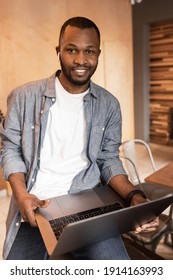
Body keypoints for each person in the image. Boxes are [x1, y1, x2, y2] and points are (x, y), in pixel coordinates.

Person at [0, 16, 159, 260]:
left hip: (89, 204)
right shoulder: (24, 96)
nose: (81, 60)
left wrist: (134, 196)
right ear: (58, 51)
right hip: (35, 203)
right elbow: (10, 149)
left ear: (98, 53)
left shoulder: (109, 105)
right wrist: (20, 194)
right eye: (71, 50)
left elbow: (108, 159)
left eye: (89, 51)